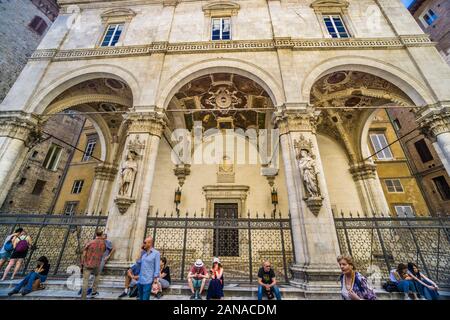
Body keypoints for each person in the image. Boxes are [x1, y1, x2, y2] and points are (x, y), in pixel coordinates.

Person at [81, 230, 106, 299]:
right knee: (97, 275)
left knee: (85, 280)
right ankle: (94, 291)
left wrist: (82, 262)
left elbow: (84, 253)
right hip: (96, 264)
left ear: (96, 234)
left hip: (87, 263)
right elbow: (103, 251)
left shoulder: (90, 242)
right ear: (101, 235)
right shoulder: (103, 244)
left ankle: (83, 297)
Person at [136, 236, 160, 301]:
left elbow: (157, 267)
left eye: (144, 242)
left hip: (148, 280)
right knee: (141, 298)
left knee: (145, 299)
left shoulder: (156, 253)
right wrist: (141, 252)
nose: (143, 244)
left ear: (149, 243)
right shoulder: (144, 254)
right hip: (140, 280)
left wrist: (155, 280)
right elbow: (138, 263)